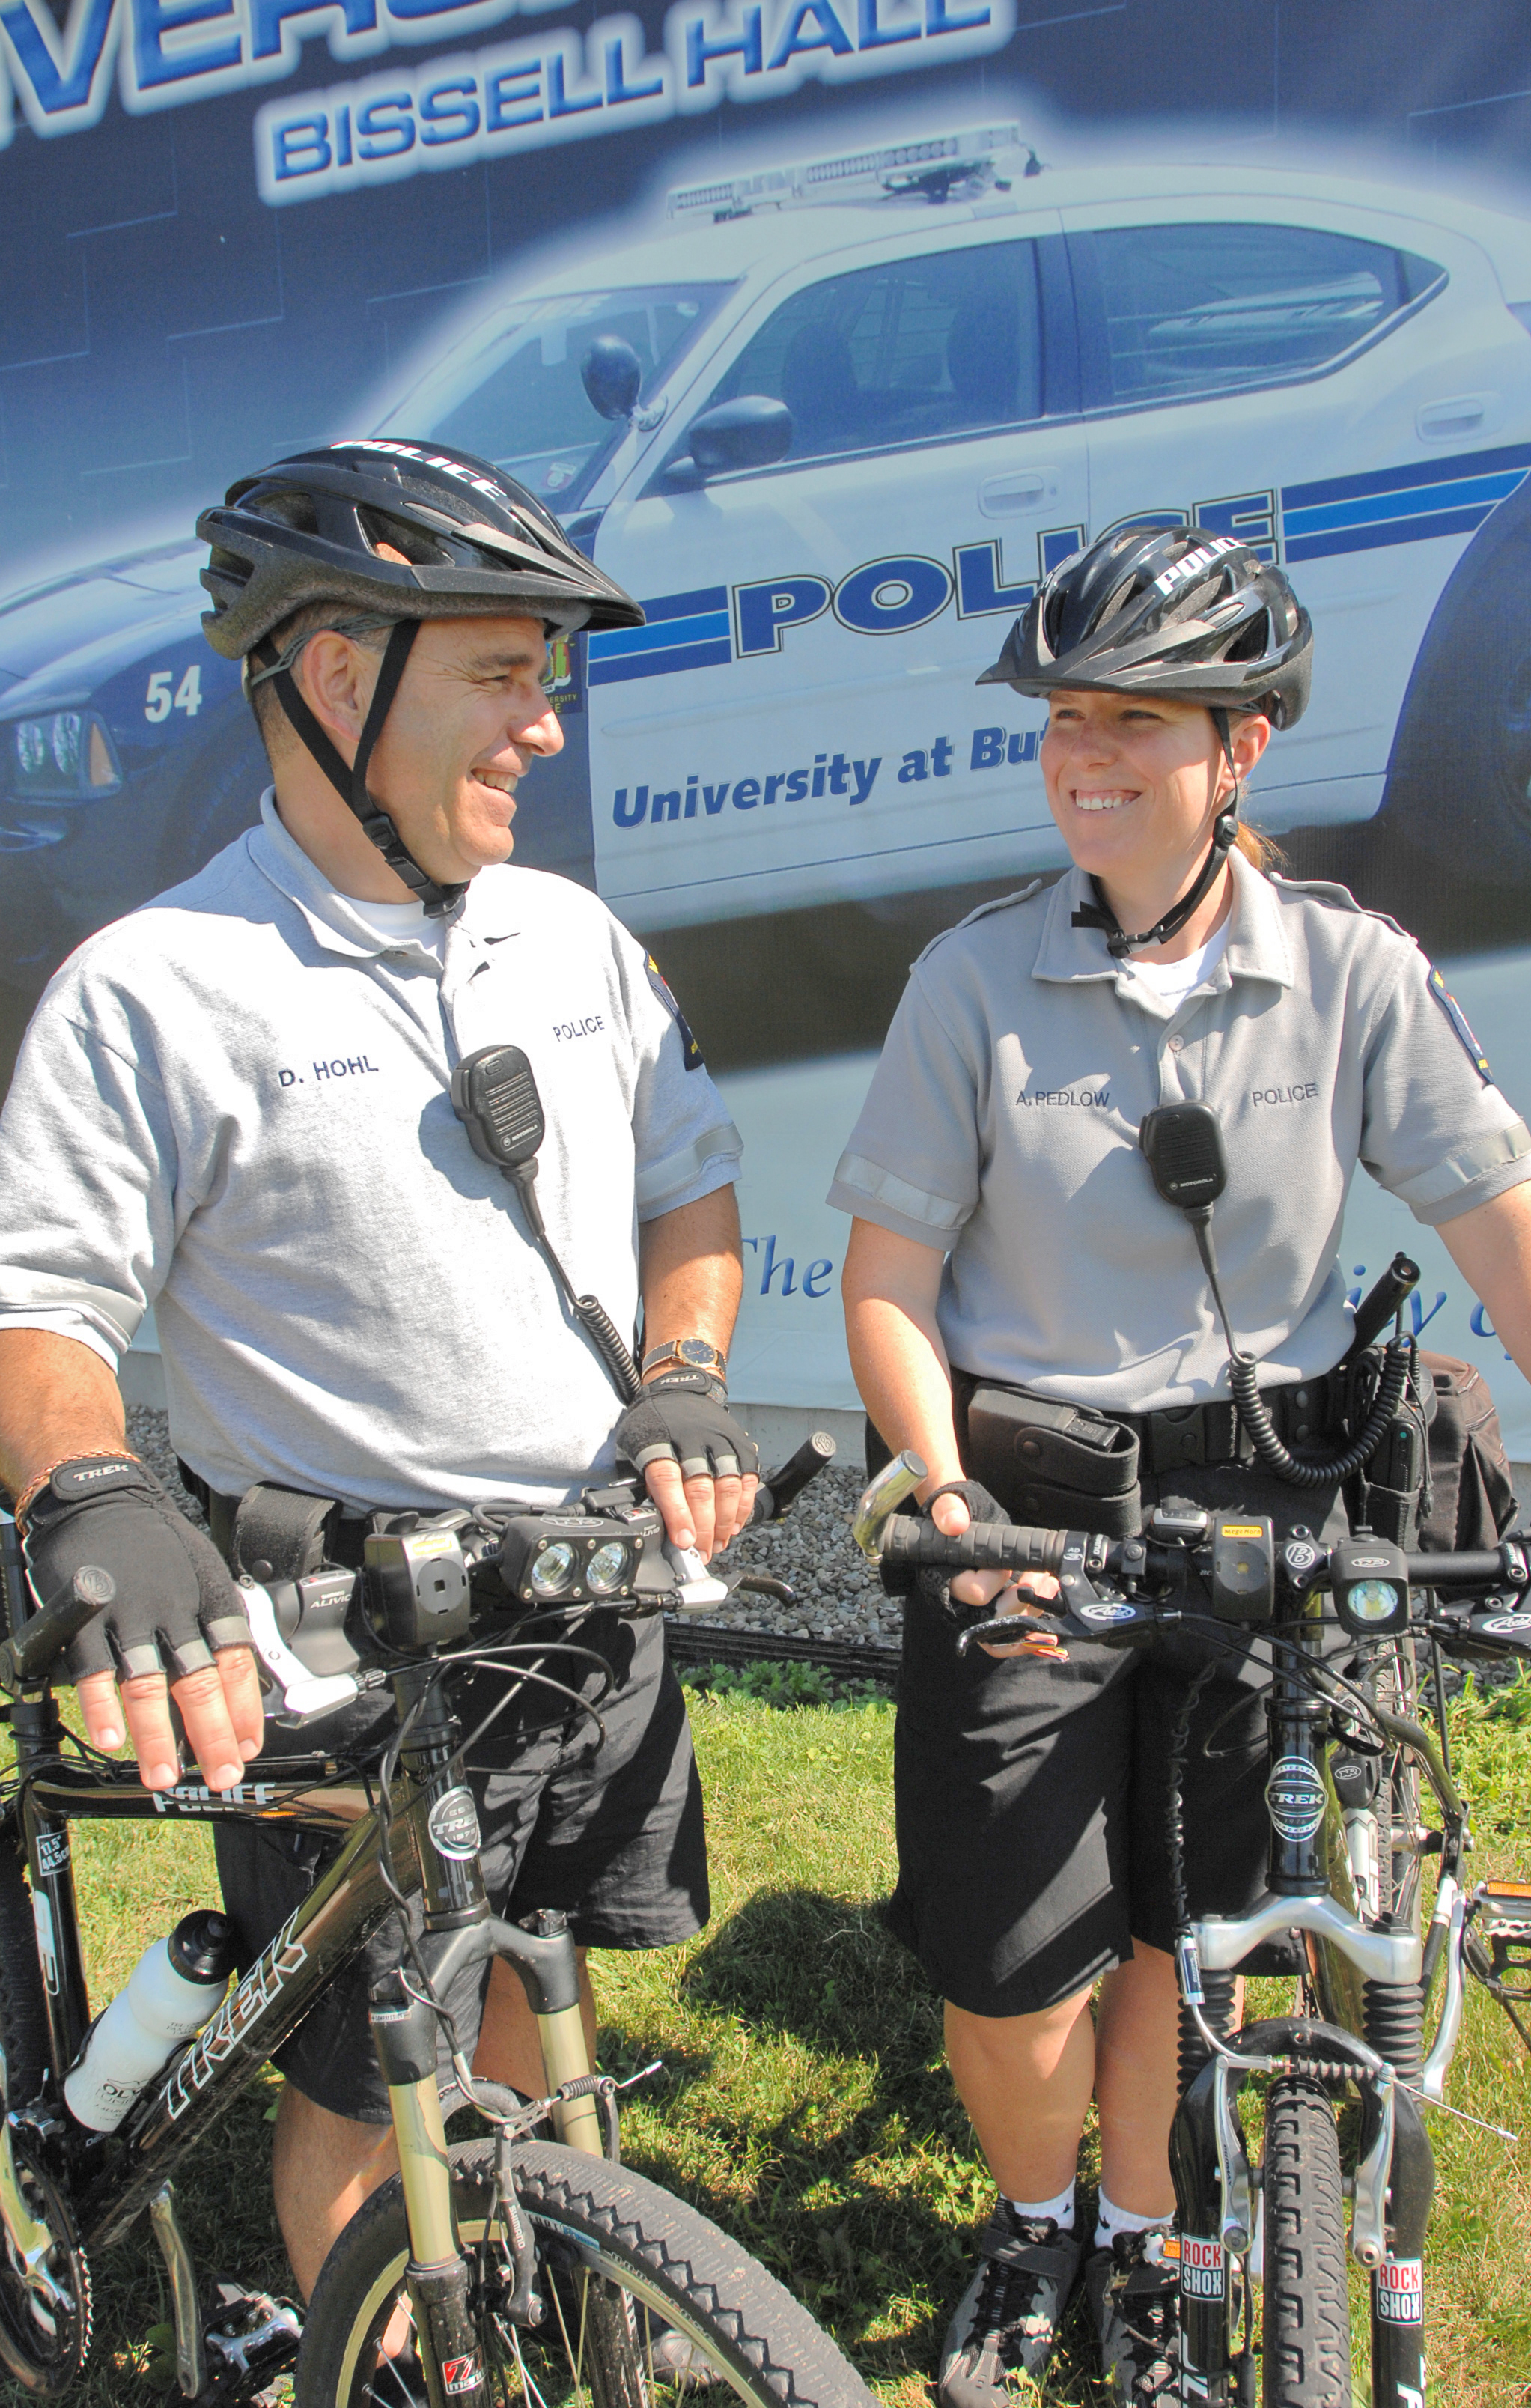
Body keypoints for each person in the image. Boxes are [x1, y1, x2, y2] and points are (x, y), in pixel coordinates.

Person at [828, 523, 1531, 2407]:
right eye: (1064, 719)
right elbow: (887, 1282)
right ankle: (1040, 2228)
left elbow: (1504, 1217)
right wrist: (942, 1493)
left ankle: (1152, 2228)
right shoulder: (972, 981)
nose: (1084, 756)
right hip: (1027, 1506)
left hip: (1266, 1500)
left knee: (1198, 1929)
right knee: (1016, 1959)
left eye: (1135, 723)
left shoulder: (1349, 969)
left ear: (1241, 748)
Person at [0, 440, 761, 2314]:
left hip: (585, 1602)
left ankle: (529, 2285)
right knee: (371, 2071)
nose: (546, 726)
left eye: (545, 677)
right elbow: (41, 1308)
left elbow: (692, 1188)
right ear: (338, 678)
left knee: (533, 1984)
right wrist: (97, 1494)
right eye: (501, 674)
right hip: (352, 1648)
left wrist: (681, 1375)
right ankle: (396, 2343)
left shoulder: (573, 938)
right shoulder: (156, 988)